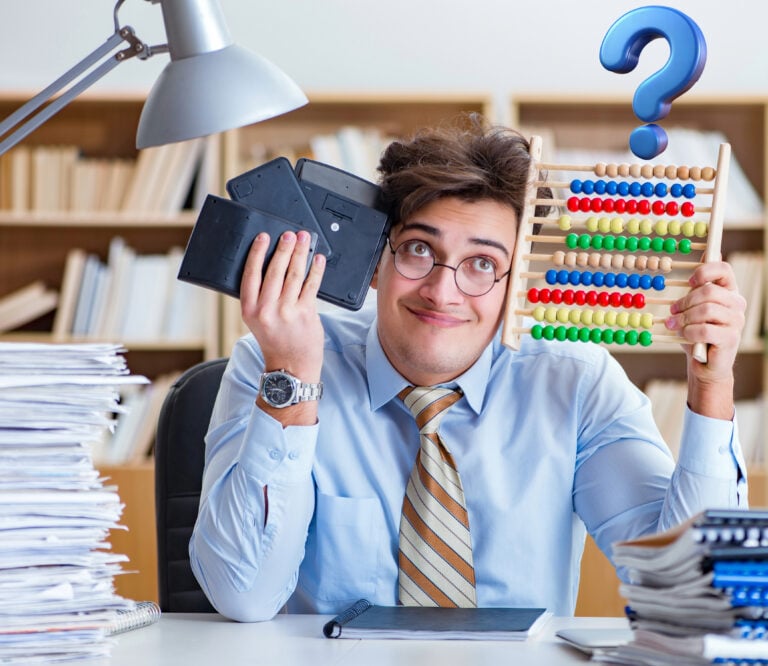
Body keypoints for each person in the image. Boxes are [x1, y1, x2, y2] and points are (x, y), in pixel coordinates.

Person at [189, 115, 748, 622]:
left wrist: (712, 386)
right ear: (376, 263)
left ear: (515, 287)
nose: (442, 290)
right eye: (416, 250)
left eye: (483, 264)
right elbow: (244, 594)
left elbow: (694, 599)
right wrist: (293, 372)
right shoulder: (275, 363)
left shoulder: (577, 385)